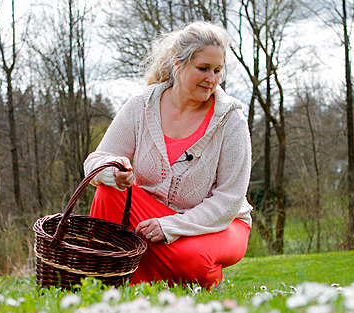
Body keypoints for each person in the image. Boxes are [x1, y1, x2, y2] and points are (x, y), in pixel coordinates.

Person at [83, 21, 252, 289]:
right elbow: (95, 161)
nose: (212, 79)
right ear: (177, 63)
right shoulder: (141, 106)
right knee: (108, 191)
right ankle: (113, 280)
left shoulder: (230, 119)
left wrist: (172, 226)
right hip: (152, 218)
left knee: (193, 262)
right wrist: (113, 170)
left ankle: (169, 272)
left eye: (218, 70)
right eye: (203, 69)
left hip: (222, 222)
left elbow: (229, 200)